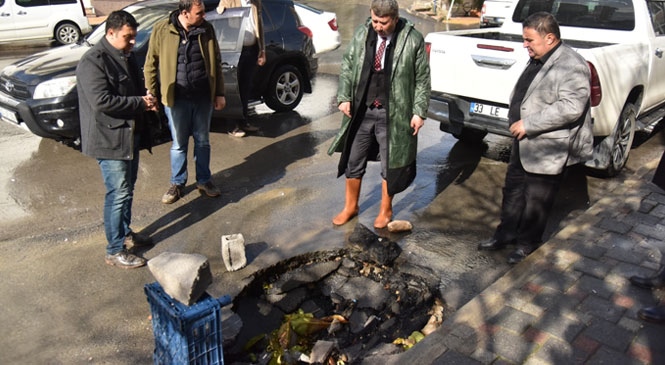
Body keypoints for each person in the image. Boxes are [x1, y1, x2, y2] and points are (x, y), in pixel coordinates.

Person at [477, 12, 593, 264]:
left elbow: (572, 106)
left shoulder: (571, 64)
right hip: (523, 140)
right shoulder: (539, 58)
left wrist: (529, 124)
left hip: (548, 145)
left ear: (550, 38)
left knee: (536, 199)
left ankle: (526, 244)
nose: (524, 45)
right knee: (514, 190)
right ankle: (504, 235)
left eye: (529, 40)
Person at [327, 0, 430, 229]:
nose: (378, 26)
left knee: (390, 164)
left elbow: (422, 79)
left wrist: (419, 112)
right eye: (374, 20)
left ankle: (386, 210)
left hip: (394, 112)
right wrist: (344, 96)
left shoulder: (412, 39)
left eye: (383, 22)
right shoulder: (363, 33)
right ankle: (350, 207)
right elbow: (347, 64)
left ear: (394, 18)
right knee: (353, 160)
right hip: (362, 110)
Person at [77, 10, 157, 269]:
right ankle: (114, 250)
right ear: (110, 33)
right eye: (128, 37)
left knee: (127, 190)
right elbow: (101, 102)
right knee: (118, 193)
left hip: (128, 135)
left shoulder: (125, 56)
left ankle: (123, 233)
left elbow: (133, 91)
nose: (132, 42)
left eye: (134, 37)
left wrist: (146, 101)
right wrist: (139, 103)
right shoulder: (93, 61)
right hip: (108, 138)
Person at [144, 0, 227, 204]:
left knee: (202, 141)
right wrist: (152, 93)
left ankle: (204, 180)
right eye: (199, 13)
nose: (203, 16)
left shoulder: (206, 29)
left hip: (202, 97)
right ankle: (177, 183)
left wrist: (219, 92)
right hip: (176, 98)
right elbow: (151, 62)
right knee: (179, 143)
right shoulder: (162, 29)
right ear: (184, 12)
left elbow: (216, 60)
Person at [217, 0, 266, 138]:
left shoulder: (256, 3)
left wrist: (262, 50)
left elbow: (259, 26)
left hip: (251, 49)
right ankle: (232, 125)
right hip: (234, 50)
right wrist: (221, 8)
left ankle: (244, 121)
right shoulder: (228, 1)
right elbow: (220, 16)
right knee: (233, 88)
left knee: (245, 87)